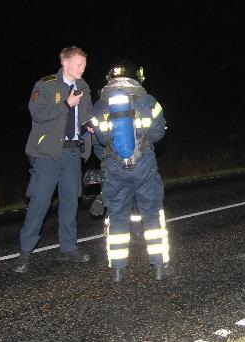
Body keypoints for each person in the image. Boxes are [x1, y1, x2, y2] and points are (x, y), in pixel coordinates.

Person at [13, 46, 94, 273]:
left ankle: (68, 249)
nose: (82, 68)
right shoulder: (45, 85)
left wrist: (90, 128)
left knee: (70, 202)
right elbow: (37, 114)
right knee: (40, 204)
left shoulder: (84, 88)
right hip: (47, 155)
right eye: (79, 64)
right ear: (65, 63)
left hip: (71, 154)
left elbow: (85, 119)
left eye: (84, 65)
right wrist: (66, 105)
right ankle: (25, 254)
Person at [91, 64, 169, 282]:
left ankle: (117, 269)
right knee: (152, 215)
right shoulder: (148, 100)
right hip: (144, 164)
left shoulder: (99, 106)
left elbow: (99, 139)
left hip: (114, 167)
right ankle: (159, 266)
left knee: (117, 218)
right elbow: (158, 132)